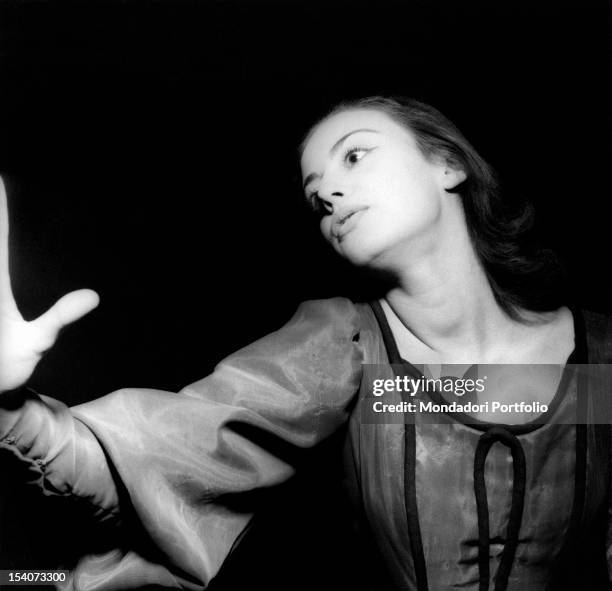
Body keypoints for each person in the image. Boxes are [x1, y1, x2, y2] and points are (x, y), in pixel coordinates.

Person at [1, 96, 610, 591]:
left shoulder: (600, 359)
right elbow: (149, 457)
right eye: (314, 195)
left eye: (355, 156)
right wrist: (10, 409)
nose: (328, 197)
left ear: (447, 165)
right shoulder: (346, 346)